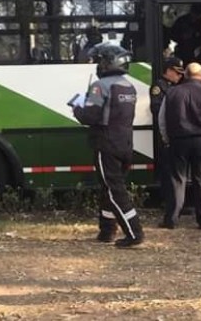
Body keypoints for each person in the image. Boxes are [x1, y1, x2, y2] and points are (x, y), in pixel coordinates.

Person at [72, 44, 144, 248]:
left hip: (106, 143)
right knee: (109, 188)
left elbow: (90, 116)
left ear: (108, 62)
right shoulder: (128, 86)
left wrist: (77, 108)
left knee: (114, 190)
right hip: (126, 143)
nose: (98, 65)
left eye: (100, 60)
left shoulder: (100, 86)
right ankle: (107, 230)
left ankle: (134, 232)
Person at [158, 62, 201, 229]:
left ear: (185, 75)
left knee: (177, 181)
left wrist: (167, 139)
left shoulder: (171, 93)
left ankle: (171, 220)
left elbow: (162, 119)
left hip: (178, 141)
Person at [150, 57, 185, 207]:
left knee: (176, 170)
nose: (180, 76)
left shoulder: (173, 87)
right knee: (168, 171)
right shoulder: (159, 87)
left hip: (175, 135)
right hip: (166, 135)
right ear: (169, 71)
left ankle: (176, 203)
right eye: (177, 73)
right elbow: (157, 110)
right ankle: (169, 202)